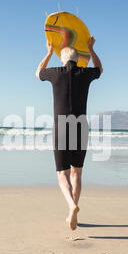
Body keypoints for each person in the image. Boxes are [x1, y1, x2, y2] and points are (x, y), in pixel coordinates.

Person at [35, 37, 103, 230]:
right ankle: (72, 211)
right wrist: (90, 49)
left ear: (62, 59)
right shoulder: (85, 72)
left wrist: (48, 52)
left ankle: (71, 205)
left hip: (61, 126)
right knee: (77, 172)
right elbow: (100, 69)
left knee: (61, 173)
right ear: (77, 59)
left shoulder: (55, 73)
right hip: (81, 125)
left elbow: (37, 72)